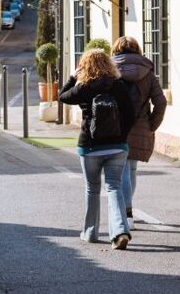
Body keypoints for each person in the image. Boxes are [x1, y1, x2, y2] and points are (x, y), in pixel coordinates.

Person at [58, 49, 136, 250]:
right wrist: (122, 137)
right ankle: (119, 231)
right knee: (114, 187)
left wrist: (74, 76)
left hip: (90, 146)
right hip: (117, 147)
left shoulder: (84, 87)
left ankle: (91, 233)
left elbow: (63, 96)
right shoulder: (118, 86)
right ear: (109, 64)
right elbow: (131, 113)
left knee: (93, 189)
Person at [112, 36, 167, 225]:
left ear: (116, 50)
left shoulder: (110, 71)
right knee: (131, 168)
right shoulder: (148, 73)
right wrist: (151, 125)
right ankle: (128, 210)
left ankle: (126, 214)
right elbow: (160, 102)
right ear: (137, 50)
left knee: (122, 171)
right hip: (140, 126)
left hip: (116, 126)